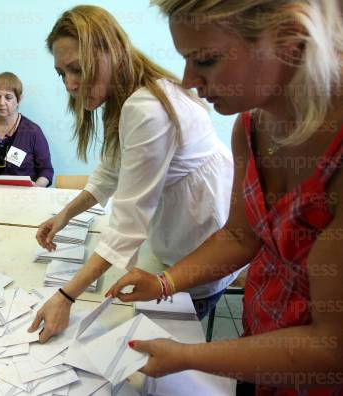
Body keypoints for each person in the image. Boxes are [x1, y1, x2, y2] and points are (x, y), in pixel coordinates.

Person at [107, 1, 343, 394]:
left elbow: (330, 348)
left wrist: (187, 357)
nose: (188, 80)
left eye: (206, 60)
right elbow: (240, 235)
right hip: (261, 354)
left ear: (290, 37)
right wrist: (165, 282)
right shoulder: (251, 124)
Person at [30, 5, 238, 342]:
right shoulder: (127, 95)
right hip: (177, 239)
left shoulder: (147, 107)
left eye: (78, 69)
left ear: (110, 52)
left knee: (164, 349)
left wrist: (66, 297)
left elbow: (128, 222)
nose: (69, 84)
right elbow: (111, 169)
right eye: (61, 73)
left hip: (199, 245)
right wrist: (65, 214)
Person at [0, 72, 54, 187]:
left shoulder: (33, 131)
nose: (2, 103)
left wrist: (35, 189)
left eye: (8, 97)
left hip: (23, 198)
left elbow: (46, 171)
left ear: (19, 99)